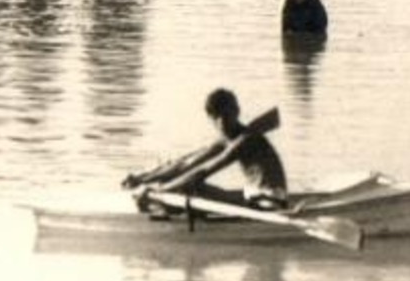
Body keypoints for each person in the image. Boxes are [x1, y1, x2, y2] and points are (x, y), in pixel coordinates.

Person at [123, 89, 288, 208]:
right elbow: (185, 163)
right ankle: (160, 205)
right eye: (217, 118)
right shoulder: (226, 140)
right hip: (254, 195)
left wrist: (159, 189)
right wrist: (144, 179)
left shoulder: (245, 140)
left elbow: (202, 172)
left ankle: (160, 207)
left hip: (270, 202)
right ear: (210, 119)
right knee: (183, 183)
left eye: (226, 116)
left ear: (237, 112)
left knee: (192, 186)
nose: (222, 123)